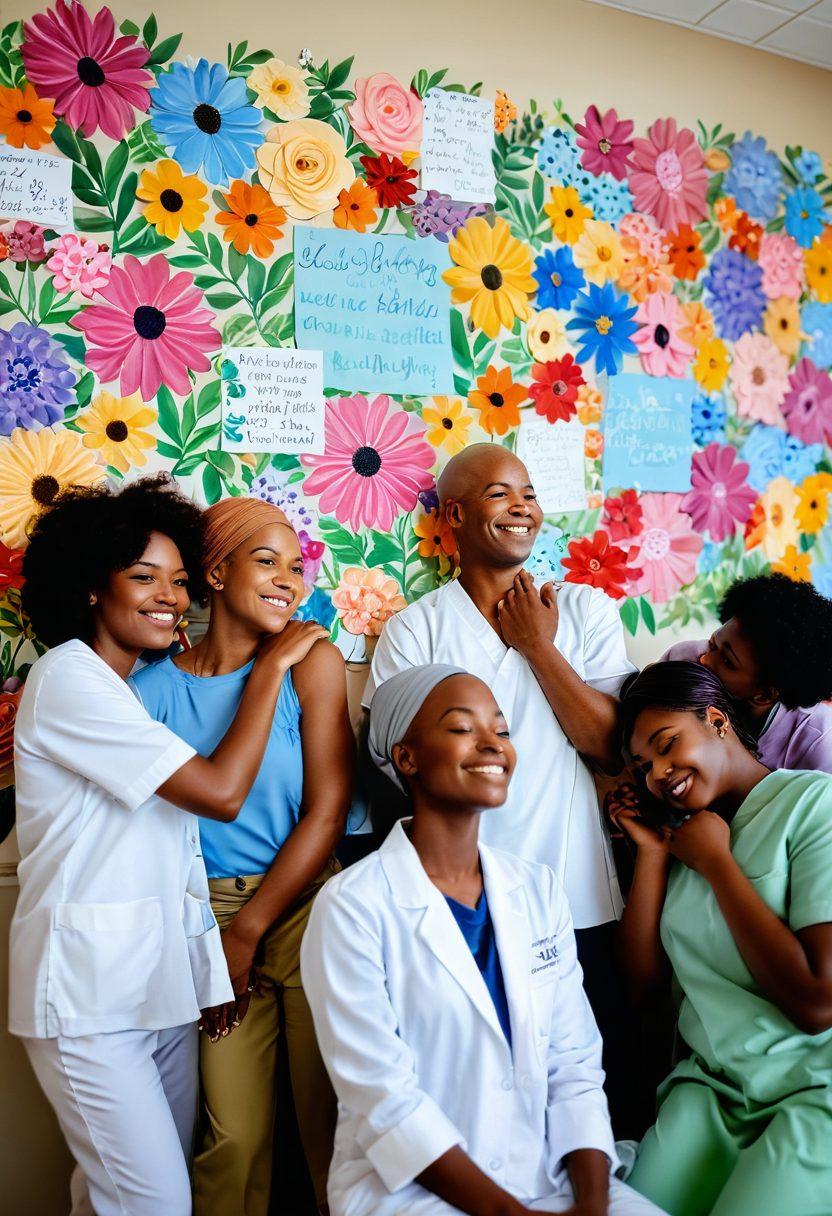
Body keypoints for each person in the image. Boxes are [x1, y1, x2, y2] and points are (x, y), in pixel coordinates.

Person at [10, 476, 329, 1216]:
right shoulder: (68, 681)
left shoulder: (126, 692)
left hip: (155, 988)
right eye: (143, 577)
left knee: (114, 1194)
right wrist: (274, 667)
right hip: (88, 999)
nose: (168, 596)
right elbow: (218, 795)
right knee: (155, 1203)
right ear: (93, 588)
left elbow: (176, 853)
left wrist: (209, 969)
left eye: (178, 581)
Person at [301, 664, 668, 1216]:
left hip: (551, 1173)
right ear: (407, 758)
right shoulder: (352, 907)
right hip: (417, 1193)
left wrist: (593, 1203)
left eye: (500, 729)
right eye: (461, 728)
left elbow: (573, 1064)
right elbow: (384, 1101)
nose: (493, 745)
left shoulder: (537, 891)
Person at [362, 444, 635, 1125]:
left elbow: (610, 747)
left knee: (585, 1094)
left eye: (530, 493)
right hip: (460, 906)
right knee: (478, 1097)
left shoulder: (582, 610)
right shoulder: (414, 629)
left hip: (577, 898)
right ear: (453, 515)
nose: (522, 506)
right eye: (499, 493)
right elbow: (394, 768)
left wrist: (539, 646)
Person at [130, 497, 352, 1216]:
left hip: (308, 905)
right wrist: (220, 932)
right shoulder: (150, 689)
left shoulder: (311, 662)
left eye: (297, 567)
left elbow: (326, 813)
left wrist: (250, 929)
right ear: (217, 573)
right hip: (207, 919)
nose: (289, 581)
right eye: (266, 562)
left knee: (334, 1128)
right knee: (236, 1135)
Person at [613, 661, 832, 1216]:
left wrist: (719, 865)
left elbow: (817, 1001)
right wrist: (654, 855)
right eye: (642, 767)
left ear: (716, 720)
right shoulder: (684, 840)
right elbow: (644, 992)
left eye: (667, 745)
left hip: (813, 1092)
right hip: (707, 1094)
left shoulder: (814, 805)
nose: (659, 772)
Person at [661, 573, 832, 770]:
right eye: (712, 644)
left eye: (727, 661)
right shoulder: (683, 659)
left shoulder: (817, 746)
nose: (704, 659)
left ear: (764, 695)